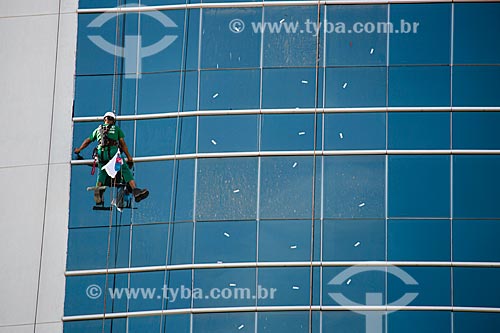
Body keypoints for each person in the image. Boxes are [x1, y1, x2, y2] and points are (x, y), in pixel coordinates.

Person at [74, 112, 149, 204]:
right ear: (113, 121)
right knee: (125, 169)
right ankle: (135, 190)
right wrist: (129, 157)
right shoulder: (116, 129)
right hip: (113, 153)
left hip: (101, 154)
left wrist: (79, 149)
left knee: (102, 172)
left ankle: (98, 190)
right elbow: (123, 144)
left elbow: (88, 141)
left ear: (104, 119)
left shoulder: (98, 129)